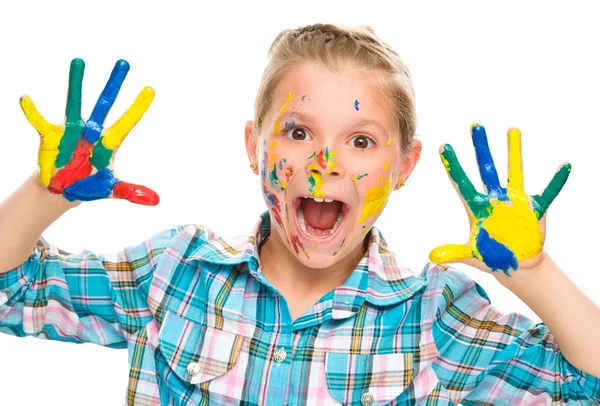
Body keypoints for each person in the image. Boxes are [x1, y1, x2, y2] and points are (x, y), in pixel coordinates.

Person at [0, 23, 599, 405]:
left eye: (361, 142)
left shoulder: (433, 319)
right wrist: (48, 193)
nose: (324, 164)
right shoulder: (177, 272)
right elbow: (11, 289)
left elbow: (586, 385)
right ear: (253, 146)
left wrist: (534, 269)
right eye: (297, 131)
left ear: (405, 166)